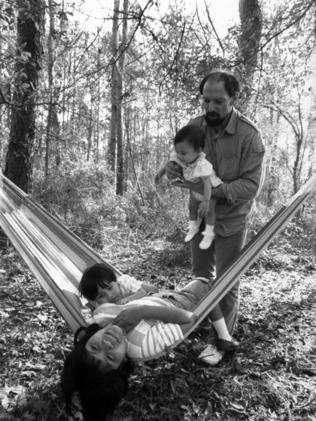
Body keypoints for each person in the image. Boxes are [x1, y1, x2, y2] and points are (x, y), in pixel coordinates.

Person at [161, 69, 265, 365]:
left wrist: (214, 191)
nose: (210, 108)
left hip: (232, 220)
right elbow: (179, 159)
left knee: (227, 282)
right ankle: (209, 323)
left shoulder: (249, 135)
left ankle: (222, 342)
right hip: (199, 219)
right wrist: (172, 169)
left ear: (233, 98)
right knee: (201, 278)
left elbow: (251, 186)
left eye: (218, 101)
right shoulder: (194, 127)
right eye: (206, 101)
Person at [62, 276, 239, 420]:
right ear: (123, 363)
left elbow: (66, 292)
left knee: (202, 282)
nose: (106, 345)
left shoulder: (98, 321)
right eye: (110, 357)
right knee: (206, 284)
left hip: (157, 297)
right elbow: (189, 319)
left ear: (87, 339)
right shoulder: (142, 346)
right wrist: (142, 312)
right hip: (177, 304)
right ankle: (224, 336)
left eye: (93, 347)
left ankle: (214, 326)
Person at [155, 125, 222, 249]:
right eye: (178, 152)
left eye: (184, 153)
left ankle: (209, 233)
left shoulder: (202, 164)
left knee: (209, 210)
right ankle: (193, 227)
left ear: (198, 150)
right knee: (191, 206)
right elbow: (170, 163)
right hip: (195, 190)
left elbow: (207, 184)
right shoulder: (182, 157)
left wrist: (206, 201)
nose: (180, 156)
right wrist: (160, 174)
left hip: (208, 192)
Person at [79, 263, 159, 307]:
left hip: (145, 292)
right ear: (95, 300)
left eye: (110, 288)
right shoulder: (101, 306)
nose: (109, 296)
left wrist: (125, 300)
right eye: (101, 296)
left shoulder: (124, 283)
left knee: (153, 289)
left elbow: (143, 292)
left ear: (116, 281)